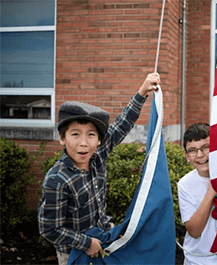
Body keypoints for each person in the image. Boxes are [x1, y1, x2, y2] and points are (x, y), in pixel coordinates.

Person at [37, 73, 160, 265]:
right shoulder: (57, 180)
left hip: (103, 238)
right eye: (75, 134)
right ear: (62, 138)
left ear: (99, 139)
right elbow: (49, 229)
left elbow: (122, 123)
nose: (84, 143)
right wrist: (86, 243)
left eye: (91, 135)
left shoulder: (98, 155)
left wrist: (142, 91)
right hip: (73, 254)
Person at [177, 123, 217, 264]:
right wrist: (211, 192)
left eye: (206, 148)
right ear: (187, 156)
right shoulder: (185, 184)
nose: (200, 155)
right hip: (197, 260)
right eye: (192, 151)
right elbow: (194, 231)